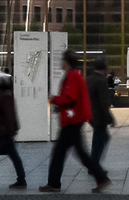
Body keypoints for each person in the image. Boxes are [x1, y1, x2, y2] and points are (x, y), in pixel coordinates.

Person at [42, 50, 110, 192]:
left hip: (72, 120)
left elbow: (70, 97)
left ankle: (54, 184)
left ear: (66, 62)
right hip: (74, 119)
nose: (61, 63)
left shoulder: (72, 76)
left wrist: (54, 99)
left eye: (62, 60)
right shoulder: (73, 75)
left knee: (64, 153)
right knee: (73, 153)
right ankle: (100, 178)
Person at [87, 60, 114, 174]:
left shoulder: (88, 79)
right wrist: (110, 118)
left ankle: (94, 164)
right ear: (104, 69)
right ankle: (94, 166)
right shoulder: (101, 81)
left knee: (100, 138)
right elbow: (103, 102)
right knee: (100, 140)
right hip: (99, 116)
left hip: (90, 114)